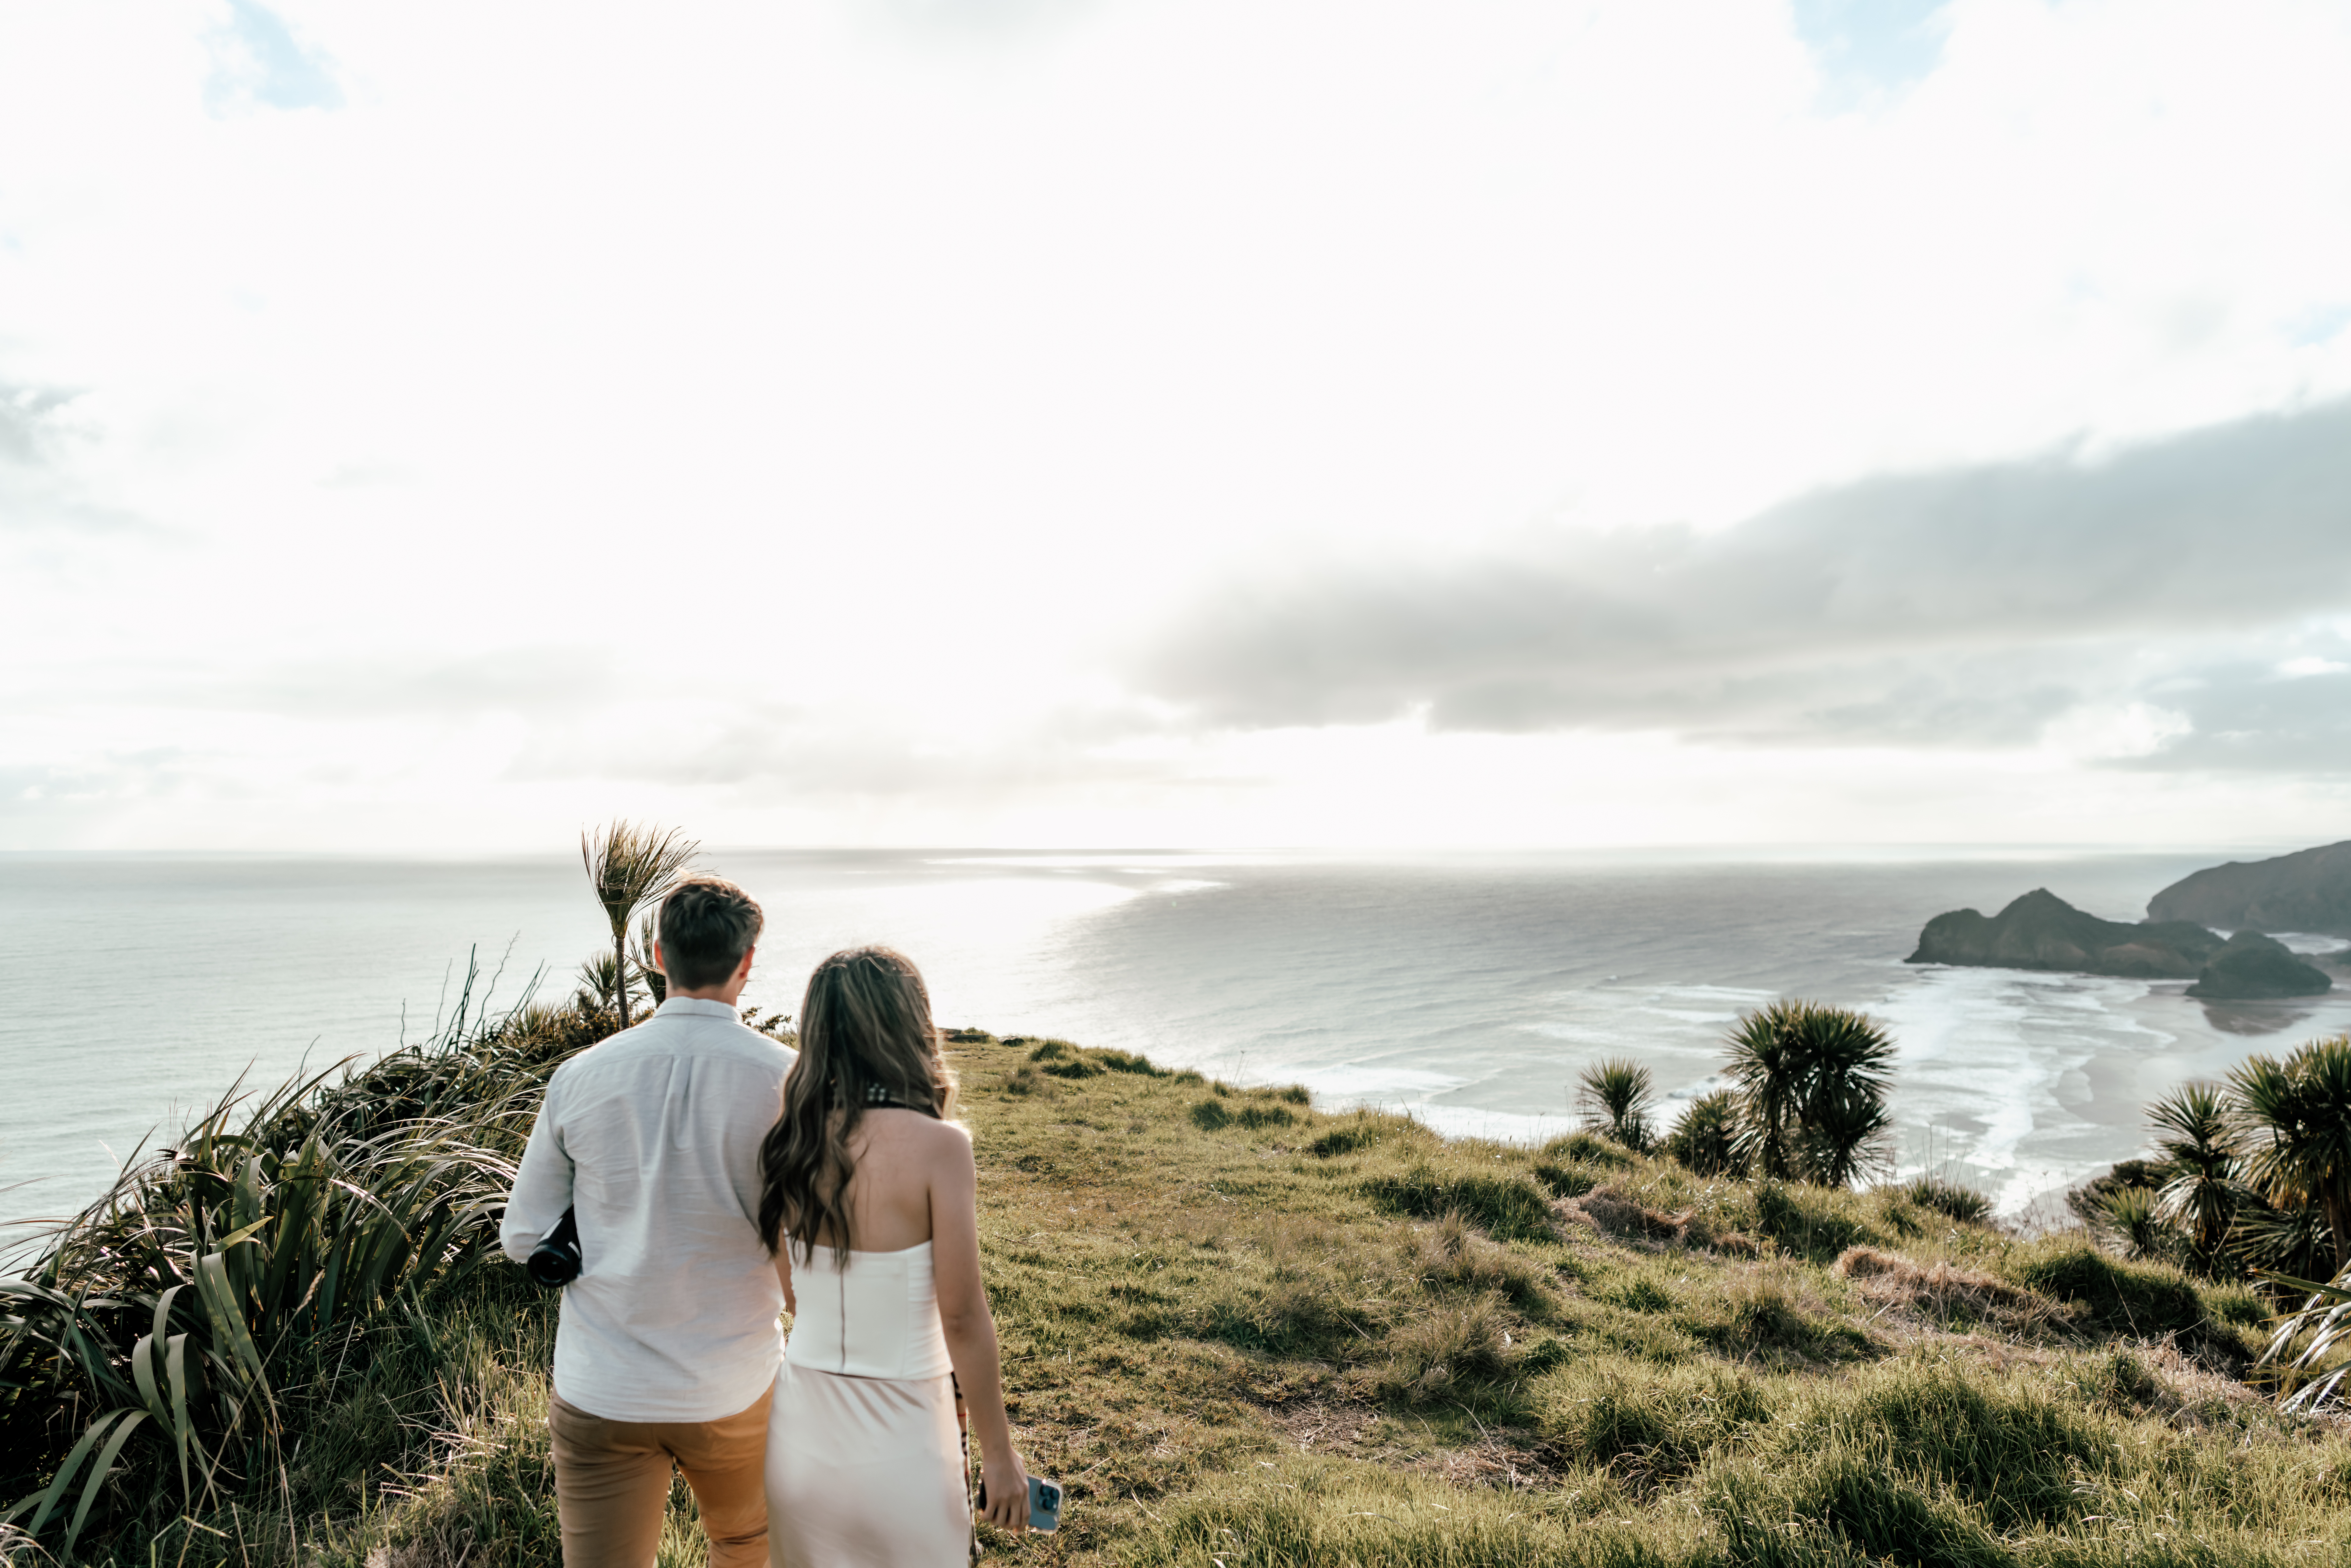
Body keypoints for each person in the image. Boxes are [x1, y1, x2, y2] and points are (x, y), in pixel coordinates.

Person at [501, 876, 795, 1568]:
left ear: (657, 955)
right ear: (747, 962)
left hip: (603, 1386)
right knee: (748, 1545)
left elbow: (521, 1237)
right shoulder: (792, 1080)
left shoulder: (580, 1076)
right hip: (734, 1382)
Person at [758, 946, 1031, 1566]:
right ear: (912, 1026)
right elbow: (961, 1315)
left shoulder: (788, 1141)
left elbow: (795, 1297)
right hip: (902, 1440)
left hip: (801, 1435)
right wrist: (998, 1453)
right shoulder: (940, 1148)